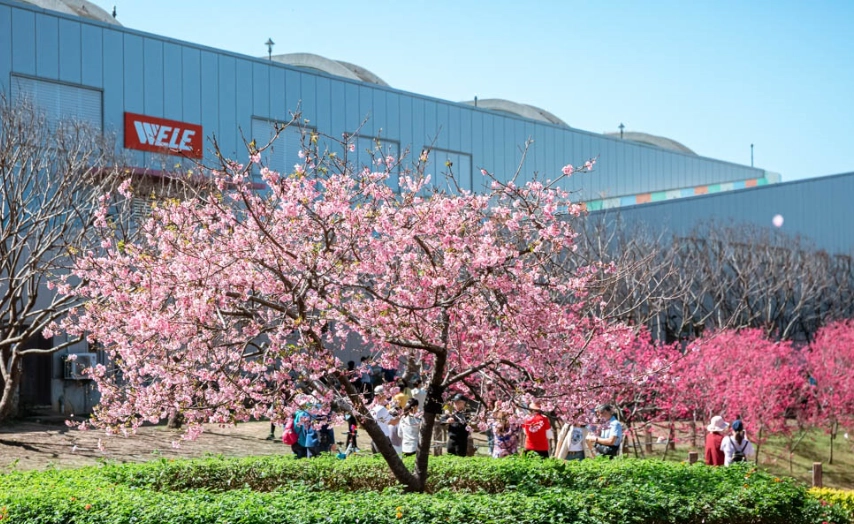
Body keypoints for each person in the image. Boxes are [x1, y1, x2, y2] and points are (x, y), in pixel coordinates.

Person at [369, 385, 399, 453]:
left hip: (374, 438)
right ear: (382, 395)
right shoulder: (382, 409)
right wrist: (401, 415)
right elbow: (393, 422)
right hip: (383, 438)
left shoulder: (373, 409)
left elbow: (382, 420)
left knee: (377, 458)